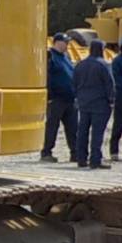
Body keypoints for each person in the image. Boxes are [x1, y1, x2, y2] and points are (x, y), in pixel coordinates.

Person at [73, 38, 116, 169]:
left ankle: (81, 159)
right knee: (97, 133)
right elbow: (110, 84)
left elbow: (74, 83)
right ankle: (95, 160)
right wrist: (112, 101)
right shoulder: (103, 65)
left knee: (82, 132)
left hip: (84, 103)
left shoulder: (80, 65)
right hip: (100, 104)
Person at [40, 34, 79, 162]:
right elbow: (46, 76)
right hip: (56, 99)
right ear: (56, 42)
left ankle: (75, 153)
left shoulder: (66, 57)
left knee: (73, 128)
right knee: (52, 127)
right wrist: (49, 95)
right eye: (65, 42)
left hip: (70, 99)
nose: (67, 45)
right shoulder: (50, 57)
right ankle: (46, 152)